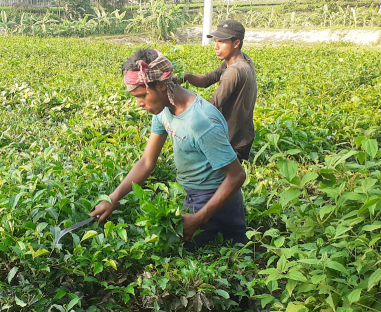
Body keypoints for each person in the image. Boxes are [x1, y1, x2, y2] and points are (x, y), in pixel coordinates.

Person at [90, 48, 248, 250]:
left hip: (218, 199)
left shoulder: (201, 121)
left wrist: (200, 217)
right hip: (191, 193)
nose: (139, 104)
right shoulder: (163, 109)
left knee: (225, 260)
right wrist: (112, 199)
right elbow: (147, 162)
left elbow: (236, 176)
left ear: (162, 86)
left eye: (141, 96)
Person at [179, 20, 257, 161]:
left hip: (233, 143)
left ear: (236, 43)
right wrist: (186, 77)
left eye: (221, 42)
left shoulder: (234, 71)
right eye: (215, 41)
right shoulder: (241, 60)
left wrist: (181, 108)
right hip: (244, 136)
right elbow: (207, 79)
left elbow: (212, 106)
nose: (216, 46)